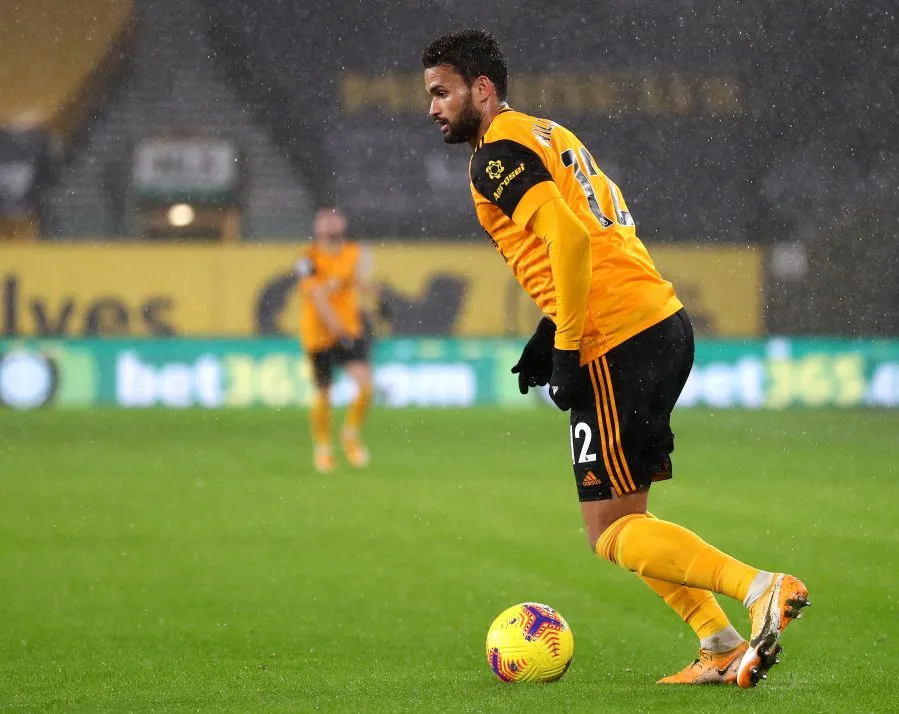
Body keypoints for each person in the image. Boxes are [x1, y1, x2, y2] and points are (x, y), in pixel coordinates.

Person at [421, 30, 809, 687]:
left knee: (608, 529)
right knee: (627, 518)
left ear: (481, 90)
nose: (432, 107)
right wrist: (551, 326)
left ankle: (760, 588)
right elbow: (593, 235)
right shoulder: (547, 134)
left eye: (442, 92)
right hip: (657, 321)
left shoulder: (495, 157)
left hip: (616, 338)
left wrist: (568, 346)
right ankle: (717, 644)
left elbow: (571, 240)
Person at [295, 207, 374, 472]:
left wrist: (376, 299)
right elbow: (317, 299)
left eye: (334, 218)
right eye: (325, 220)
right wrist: (338, 330)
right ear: (316, 228)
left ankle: (350, 435)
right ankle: (323, 449)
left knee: (365, 386)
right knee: (324, 393)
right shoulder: (307, 260)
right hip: (319, 335)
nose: (330, 224)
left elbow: (361, 283)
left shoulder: (353, 252)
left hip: (348, 330)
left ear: (343, 223)